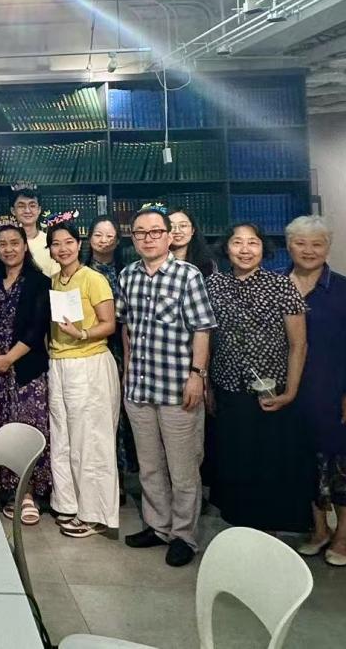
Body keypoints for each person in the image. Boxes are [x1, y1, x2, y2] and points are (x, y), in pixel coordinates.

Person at [118, 206, 216, 567]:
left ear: (168, 235)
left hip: (178, 387)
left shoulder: (188, 275)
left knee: (183, 467)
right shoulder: (128, 276)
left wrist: (197, 375)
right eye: (140, 233)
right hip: (140, 386)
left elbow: (202, 329)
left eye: (155, 232)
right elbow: (126, 327)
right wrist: (128, 370)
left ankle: (183, 535)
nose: (148, 239)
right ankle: (158, 526)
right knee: (149, 465)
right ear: (133, 238)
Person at [285, 215, 346, 568]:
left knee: (342, 464)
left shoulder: (345, 290)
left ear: (328, 247)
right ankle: (319, 529)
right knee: (305, 462)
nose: (309, 250)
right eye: (301, 243)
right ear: (289, 246)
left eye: (317, 244)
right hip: (293, 394)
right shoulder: (277, 284)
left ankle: (344, 534)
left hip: (336, 393)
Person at [205, 222, 311, 534]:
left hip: (271, 390)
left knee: (269, 457)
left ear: (263, 248)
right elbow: (206, 338)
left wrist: (291, 391)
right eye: (237, 243)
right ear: (226, 248)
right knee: (234, 456)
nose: (245, 250)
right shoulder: (214, 285)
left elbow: (299, 344)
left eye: (252, 243)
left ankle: (268, 528)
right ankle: (238, 523)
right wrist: (207, 385)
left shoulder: (281, 285)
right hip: (228, 387)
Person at [46, 221, 121, 538]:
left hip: (89, 363)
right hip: (59, 363)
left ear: (79, 244)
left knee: (90, 440)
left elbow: (109, 324)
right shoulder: (54, 281)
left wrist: (82, 334)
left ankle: (95, 515)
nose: (62, 248)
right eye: (56, 243)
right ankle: (68, 504)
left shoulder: (94, 279)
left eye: (68, 242)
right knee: (63, 438)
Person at [0, 221, 52, 522]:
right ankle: (1, 491)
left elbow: (37, 328)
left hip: (25, 371)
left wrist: (9, 358)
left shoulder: (39, 281)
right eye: (2, 244)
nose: (8, 249)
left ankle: (27, 493)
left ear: (25, 246)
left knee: (25, 430)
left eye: (14, 243)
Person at [83, 214, 135, 479]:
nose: (103, 241)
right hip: (83, 347)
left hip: (117, 349)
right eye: (98, 235)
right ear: (89, 238)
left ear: (117, 241)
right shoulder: (79, 271)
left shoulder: (127, 274)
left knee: (115, 413)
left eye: (110, 236)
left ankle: (117, 476)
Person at [10, 188, 59, 278]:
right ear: (13, 210)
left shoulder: (50, 241)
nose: (27, 211)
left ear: (39, 209)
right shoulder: (4, 242)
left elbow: (56, 277)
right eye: (21, 206)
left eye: (32, 206)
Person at [167, 207, 216, 278]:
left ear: (193, 230)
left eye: (183, 226)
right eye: (171, 226)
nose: (177, 231)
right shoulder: (156, 262)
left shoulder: (208, 264)